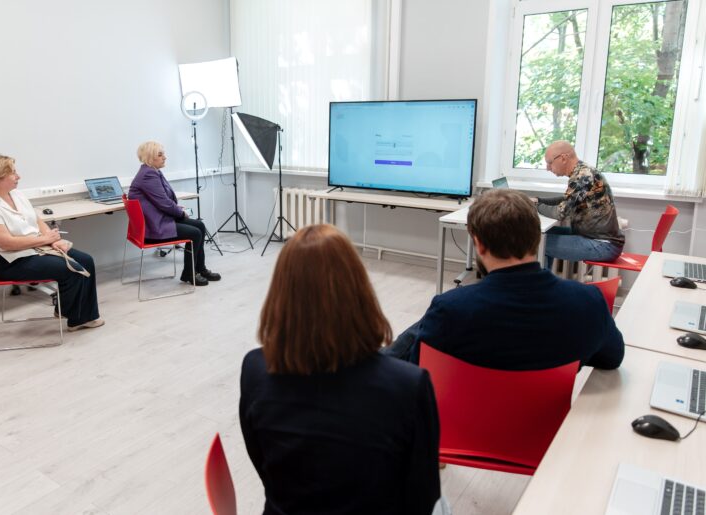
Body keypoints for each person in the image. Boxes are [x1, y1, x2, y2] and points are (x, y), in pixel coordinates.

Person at [240, 224, 441, 515]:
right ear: (359, 289)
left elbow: (264, 467)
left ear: (281, 292)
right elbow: (424, 498)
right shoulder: (408, 385)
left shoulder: (255, 369)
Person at [384, 189, 624, 371]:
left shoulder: (451, 310)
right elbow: (612, 358)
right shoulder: (588, 301)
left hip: (464, 420)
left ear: (478, 243)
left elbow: (412, 372)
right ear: (537, 237)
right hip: (553, 422)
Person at [0, 154, 103, 331]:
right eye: (13, 173)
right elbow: (6, 243)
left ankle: (71, 311)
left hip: (38, 248)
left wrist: (53, 240)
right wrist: (45, 240)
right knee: (72, 268)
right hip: (12, 260)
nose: (18, 176)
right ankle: (77, 318)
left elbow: (36, 220)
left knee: (86, 260)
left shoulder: (16, 195)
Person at [128, 141, 220, 286]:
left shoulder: (153, 171)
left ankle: (200, 269)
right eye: (160, 155)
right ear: (150, 157)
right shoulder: (148, 175)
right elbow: (164, 203)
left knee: (200, 225)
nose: (165, 157)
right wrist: (181, 213)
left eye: (163, 154)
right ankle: (189, 273)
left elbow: (163, 200)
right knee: (195, 233)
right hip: (153, 228)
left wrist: (177, 209)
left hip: (158, 220)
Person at [536, 140, 625, 269]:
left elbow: (560, 212)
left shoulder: (583, 176)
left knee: (538, 243)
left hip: (603, 245)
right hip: (592, 237)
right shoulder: (582, 171)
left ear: (563, 158)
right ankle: (545, 278)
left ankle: (544, 281)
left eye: (550, 163)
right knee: (540, 235)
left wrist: (535, 207)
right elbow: (567, 200)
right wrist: (539, 201)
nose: (547, 168)